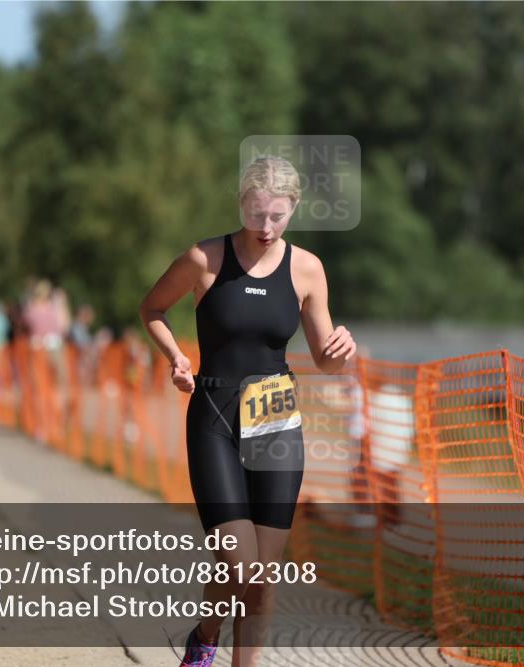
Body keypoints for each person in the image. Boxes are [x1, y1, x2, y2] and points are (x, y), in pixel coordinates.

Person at [139, 156, 356, 666]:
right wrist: (175, 357)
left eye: (277, 216)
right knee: (240, 564)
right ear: (242, 204)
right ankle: (206, 635)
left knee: (262, 576)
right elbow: (151, 309)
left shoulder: (307, 268)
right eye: (257, 214)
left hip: (275, 413)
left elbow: (323, 356)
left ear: (293, 210)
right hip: (214, 411)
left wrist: (340, 350)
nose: (265, 227)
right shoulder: (204, 258)